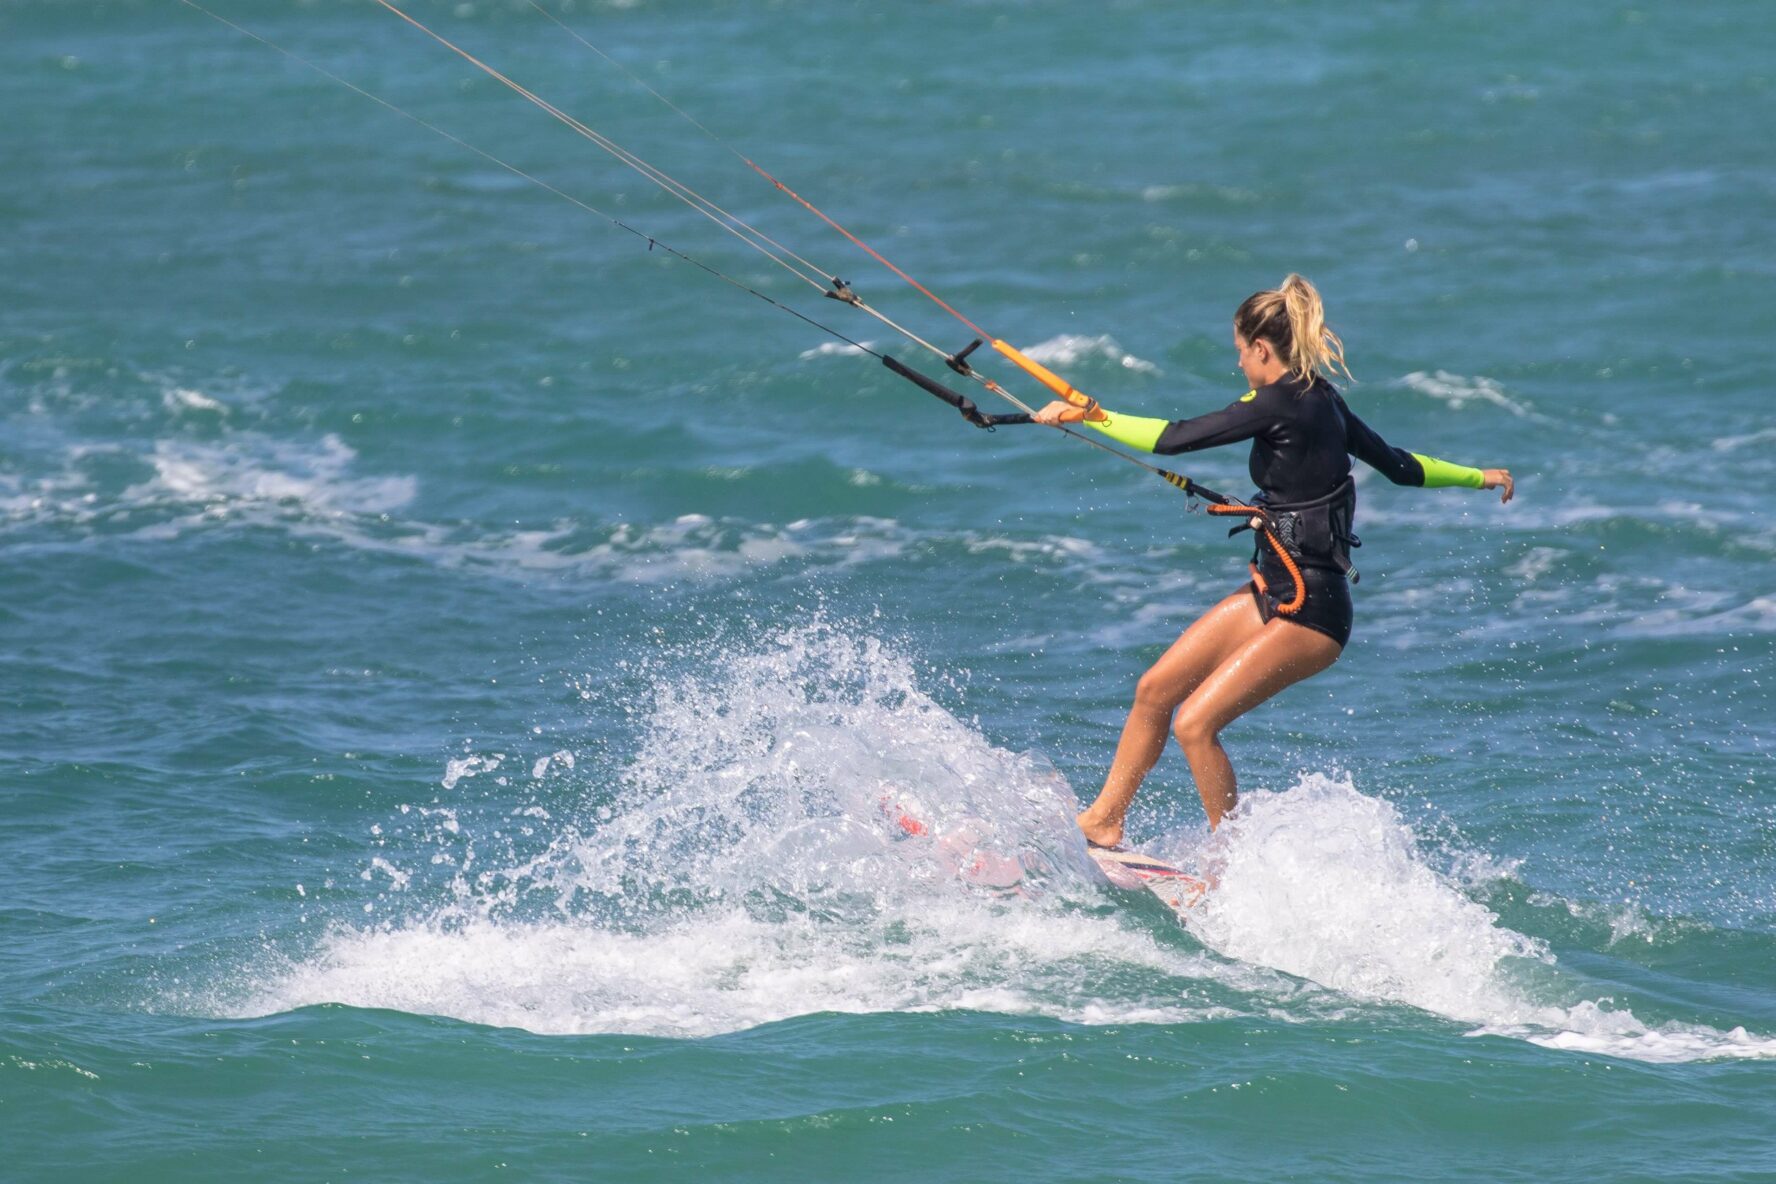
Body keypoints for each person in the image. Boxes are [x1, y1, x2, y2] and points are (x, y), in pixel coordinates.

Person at [1031, 275, 1513, 846]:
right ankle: (1105, 819)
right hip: (1274, 591)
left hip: (1312, 611)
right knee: (1156, 689)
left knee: (1195, 724)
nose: (1239, 364)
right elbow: (1401, 466)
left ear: (1261, 348)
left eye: (1240, 351)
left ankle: (1233, 866)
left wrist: (1093, 416)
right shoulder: (1322, 399)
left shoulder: (1280, 402)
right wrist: (1476, 476)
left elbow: (1176, 438)